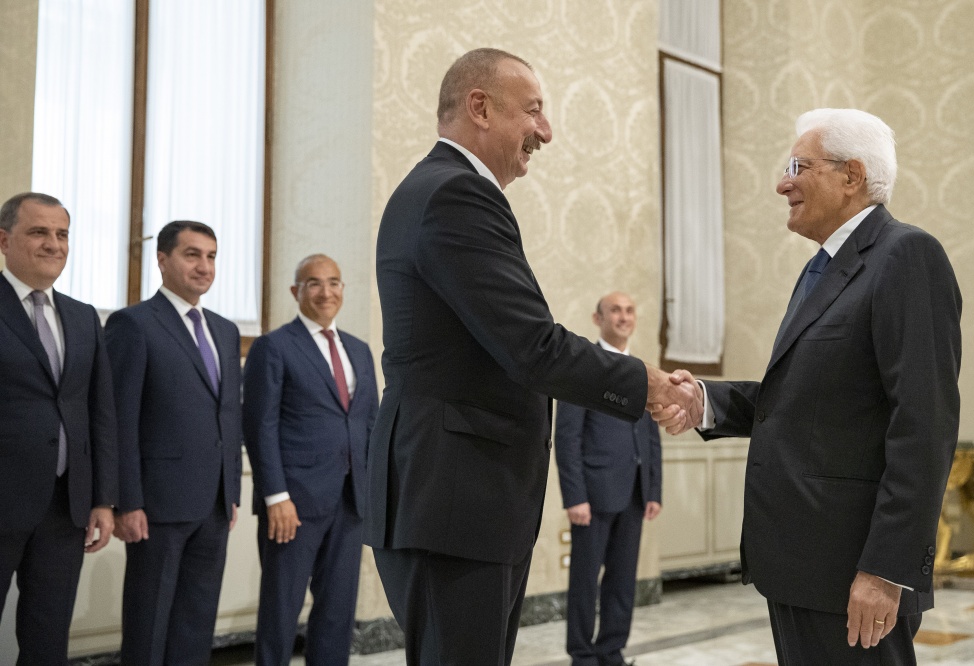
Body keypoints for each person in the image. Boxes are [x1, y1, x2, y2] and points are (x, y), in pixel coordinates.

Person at [366, 47, 700, 665]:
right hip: (454, 496)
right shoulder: (456, 196)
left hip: (457, 496)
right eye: (535, 111)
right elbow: (532, 347)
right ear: (480, 107)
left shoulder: (443, 190)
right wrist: (647, 383)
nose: (545, 132)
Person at [664, 108, 962, 665]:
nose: (782, 182)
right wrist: (704, 400)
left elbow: (925, 424)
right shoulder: (821, 270)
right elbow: (803, 400)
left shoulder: (905, 256)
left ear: (852, 176)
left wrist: (885, 570)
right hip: (802, 564)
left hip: (854, 570)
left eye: (798, 165)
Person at [105, 220, 243, 665]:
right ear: (162, 260)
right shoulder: (134, 324)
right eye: (192, 254)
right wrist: (126, 501)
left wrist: (232, 491)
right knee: (149, 623)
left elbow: (228, 414)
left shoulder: (224, 330)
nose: (204, 266)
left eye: (211, 256)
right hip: (156, 506)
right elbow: (119, 419)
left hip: (215, 504)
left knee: (196, 621)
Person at [243, 254, 378, 666]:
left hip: (350, 501)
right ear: (295, 291)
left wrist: (374, 492)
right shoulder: (273, 347)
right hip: (293, 504)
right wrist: (275, 497)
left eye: (334, 282)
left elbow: (369, 422)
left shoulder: (359, 349)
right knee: (281, 610)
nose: (326, 292)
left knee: (338, 610)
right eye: (314, 283)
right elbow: (259, 426)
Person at [0, 192, 117, 665]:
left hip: (65, 506)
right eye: (39, 232)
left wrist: (104, 498)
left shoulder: (83, 317)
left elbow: (100, 413)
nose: (54, 244)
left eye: (62, 234)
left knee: (48, 635)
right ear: (4, 240)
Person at [555, 292, 662, 666]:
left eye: (629, 310)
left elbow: (650, 436)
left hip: (633, 493)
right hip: (593, 495)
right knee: (584, 581)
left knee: (622, 580)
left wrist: (653, 489)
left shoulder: (642, 370)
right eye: (615, 310)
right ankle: (582, 655)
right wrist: (574, 497)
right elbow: (567, 438)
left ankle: (611, 650)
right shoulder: (584, 369)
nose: (623, 316)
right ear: (597, 318)